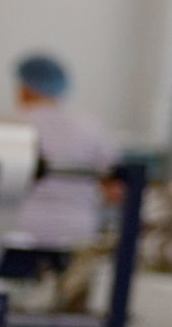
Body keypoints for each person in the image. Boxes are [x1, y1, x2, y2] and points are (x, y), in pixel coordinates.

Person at [9, 52, 118, 251]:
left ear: (25, 88)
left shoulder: (10, 124)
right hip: (77, 232)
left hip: (18, 228)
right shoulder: (92, 128)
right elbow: (115, 188)